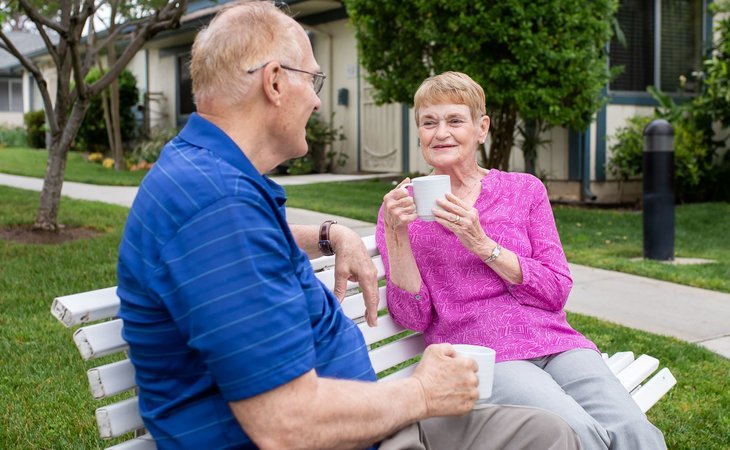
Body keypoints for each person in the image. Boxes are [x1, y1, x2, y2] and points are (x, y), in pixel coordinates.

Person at [116, 2, 581, 449]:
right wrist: (422, 394)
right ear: (275, 82)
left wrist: (327, 234)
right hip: (350, 436)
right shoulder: (216, 207)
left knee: (550, 434)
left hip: (365, 425)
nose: (317, 101)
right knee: (554, 437)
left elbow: (244, 241)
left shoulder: (206, 175)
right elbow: (288, 425)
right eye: (313, 79)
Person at [377, 71, 667, 450]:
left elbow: (556, 289)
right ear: (418, 133)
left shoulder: (523, 190)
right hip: (483, 353)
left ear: (482, 128)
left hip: (557, 343)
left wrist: (482, 244)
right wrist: (397, 233)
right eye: (428, 122)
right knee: (578, 432)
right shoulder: (401, 211)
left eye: (454, 120)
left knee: (634, 430)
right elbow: (414, 318)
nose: (441, 132)